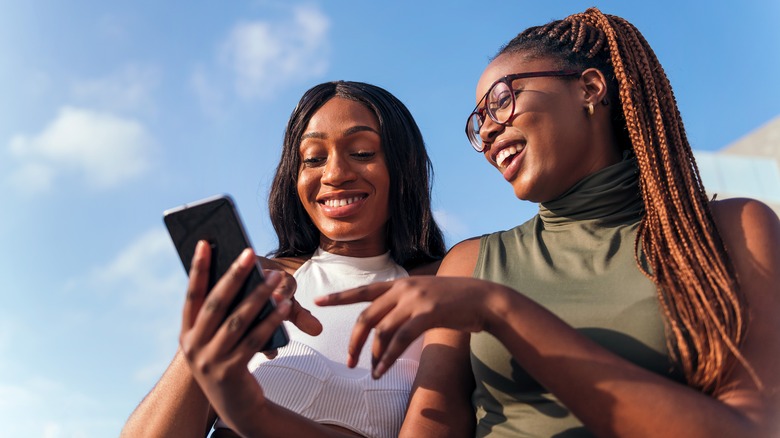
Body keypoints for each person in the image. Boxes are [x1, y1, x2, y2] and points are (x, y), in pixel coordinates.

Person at [316, 8, 780, 437]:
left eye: (502, 99)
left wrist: (502, 311)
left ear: (590, 89)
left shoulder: (733, 230)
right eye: (479, 122)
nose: (489, 130)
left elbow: (752, 429)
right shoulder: (471, 263)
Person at [120, 80, 446, 438]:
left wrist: (254, 413)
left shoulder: (442, 288)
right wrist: (205, 339)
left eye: (363, 152)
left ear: (404, 165)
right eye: (313, 159)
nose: (335, 174)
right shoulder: (263, 281)